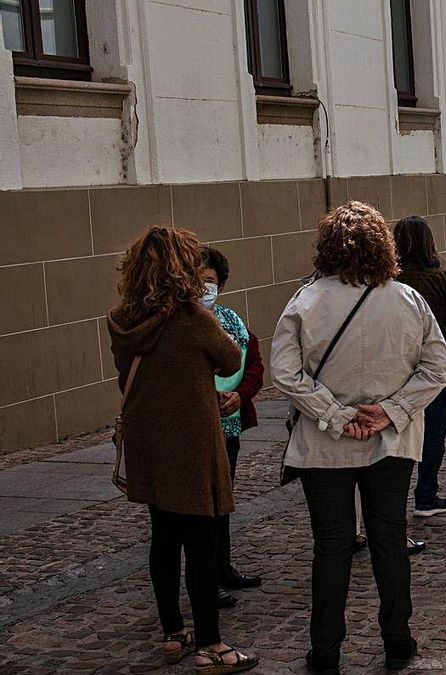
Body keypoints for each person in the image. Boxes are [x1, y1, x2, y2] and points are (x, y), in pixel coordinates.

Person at [272, 202, 446, 674]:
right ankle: (397, 640)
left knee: (331, 548)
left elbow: (285, 373)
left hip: (324, 447)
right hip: (388, 443)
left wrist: (332, 414)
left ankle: (326, 651)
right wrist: (388, 413)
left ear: (327, 246)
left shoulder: (306, 301)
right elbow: (439, 367)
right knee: (389, 541)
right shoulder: (408, 300)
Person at [107, 226, 257, 673]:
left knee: (163, 538)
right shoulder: (192, 317)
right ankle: (211, 644)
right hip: (192, 442)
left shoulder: (121, 318)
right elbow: (232, 358)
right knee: (202, 542)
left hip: (149, 440)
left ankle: (172, 634)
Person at [394, 216, 446, 519]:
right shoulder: (442, 279)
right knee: (434, 433)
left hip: (399, 368)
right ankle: (426, 493)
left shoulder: (390, 283)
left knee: (399, 430)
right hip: (439, 367)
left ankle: (396, 498)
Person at [199, 247, 264, 609]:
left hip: (230, 426)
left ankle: (223, 566)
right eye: (198, 280)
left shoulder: (233, 322)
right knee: (203, 507)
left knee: (223, 501)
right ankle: (206, 577)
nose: (204, 288)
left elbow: (254, 366)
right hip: (197, 429)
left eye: (209, 281)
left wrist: (240, 395)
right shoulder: (186, 322)